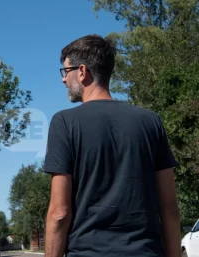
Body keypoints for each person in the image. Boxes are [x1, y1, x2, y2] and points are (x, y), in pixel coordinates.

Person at [44, 35, 181, 257]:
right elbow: (169, 207)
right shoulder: (150, 121)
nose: (63, 80)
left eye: (65, 72)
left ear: (82, 71)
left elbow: (59, 213)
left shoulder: (64, 123)